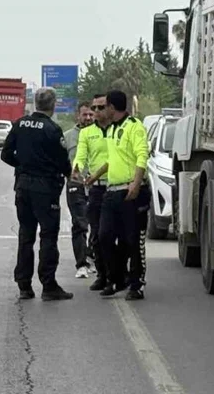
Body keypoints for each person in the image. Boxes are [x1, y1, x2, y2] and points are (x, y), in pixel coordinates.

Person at [0, 87, 74, 301]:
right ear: (53, 104)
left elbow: (6, 154)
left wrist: (23, 165)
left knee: (26, 234)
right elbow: (62, 162)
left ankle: (24, 285)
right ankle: (48, 285)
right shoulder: (52, 129)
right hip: (45, 189)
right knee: (48, 236)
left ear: (35, 103)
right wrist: (69, 175)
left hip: (23, 186)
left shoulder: (20, 124)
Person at [86, 90, 150, 300]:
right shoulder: (113, 130)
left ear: (113, 108)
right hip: (111, 192)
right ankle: (116, 277)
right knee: (103, 236)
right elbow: (113, 159)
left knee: (132, 240)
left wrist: (136, 183)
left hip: (130, 192)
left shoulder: (134, 127)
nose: (101, 110)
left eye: (104, 107)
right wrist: (95, 175)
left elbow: (142, 155)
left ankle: (136, 283)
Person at [74, 93, 127, 290]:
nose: (96, 112)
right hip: (96, 190)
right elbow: (81, 155)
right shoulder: (87, 133)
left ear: (110, 108)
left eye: (100, 107)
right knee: (97, 235)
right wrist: (77, 168)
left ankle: (121, 274)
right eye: (93, 108)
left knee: (120, 234)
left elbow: (117, 158)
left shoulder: (118, 130)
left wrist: (96, 174)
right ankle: (103, 275)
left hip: (117, 186)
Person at [62, 102, 94, 279]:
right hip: (76, 186)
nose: (88, 118)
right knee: (80, 224)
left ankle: (92, 256)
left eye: (91, 114)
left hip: (97, 186)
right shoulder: (67, 137)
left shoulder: (100, 135)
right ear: (78, 116)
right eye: (84, 115)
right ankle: (81, 263)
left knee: (98, 226)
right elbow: (60, 161)